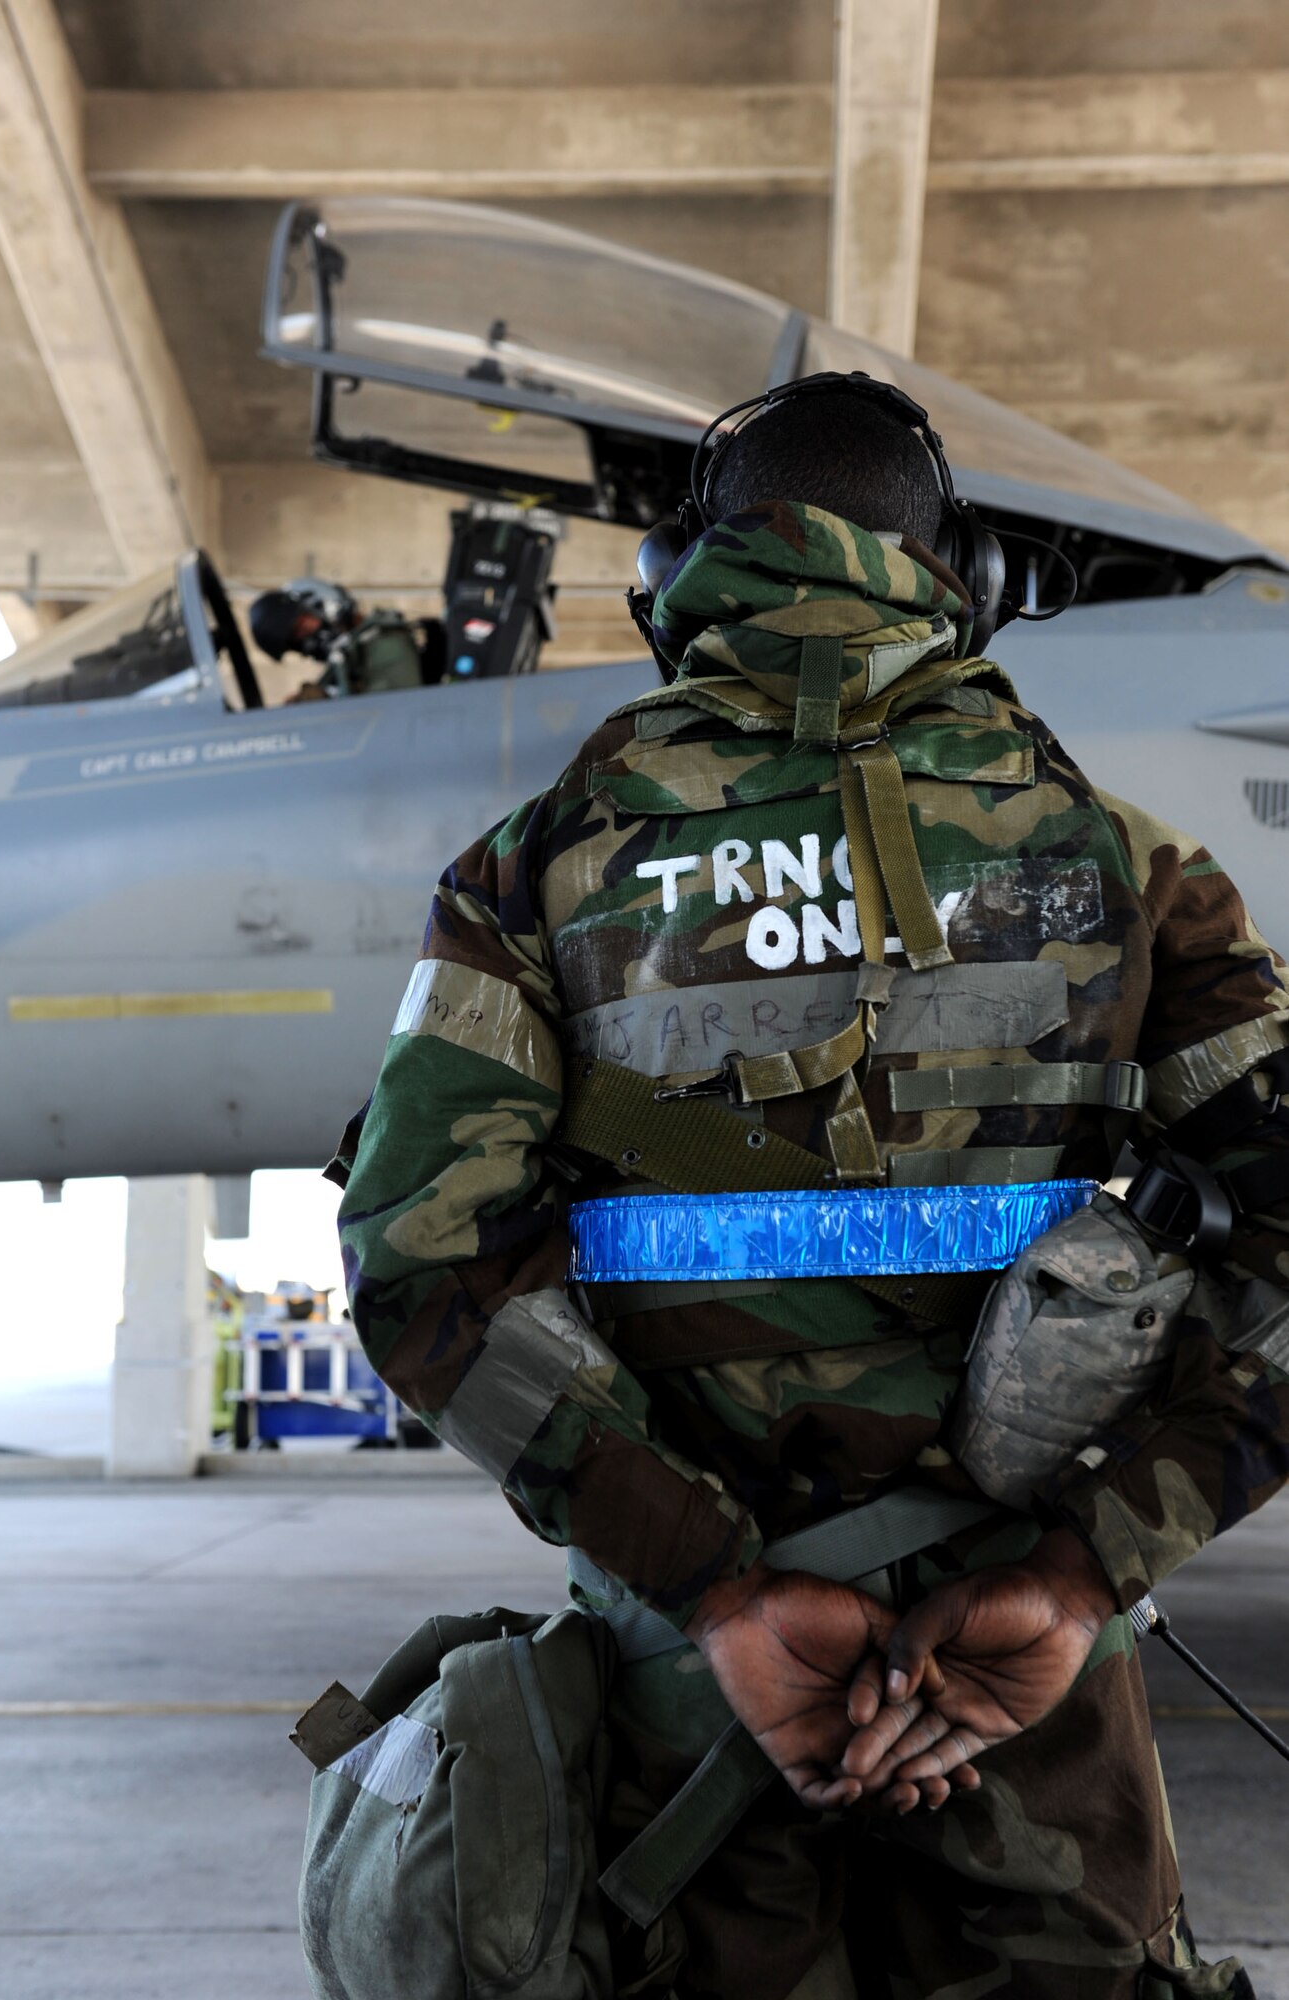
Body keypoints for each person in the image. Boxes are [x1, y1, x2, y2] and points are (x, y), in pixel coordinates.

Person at [329, 374, 1289, 1998]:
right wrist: (1076, 1572)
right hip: (1033, 1706)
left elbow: (418, 1260)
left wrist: (712, 1586)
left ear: (669, 575)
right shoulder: (1130, 870)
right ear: (960, 580)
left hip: (693, 1714)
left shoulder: (538, 867)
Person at [249, 581, 429, 698]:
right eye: (297, 641)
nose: (308, 641)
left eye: (302, 625)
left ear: (322, 604)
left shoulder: (386, 641)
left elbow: (392, 714)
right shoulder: (348, 660)